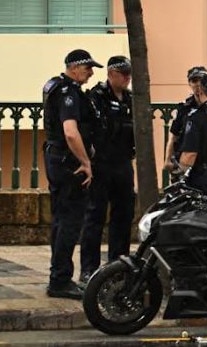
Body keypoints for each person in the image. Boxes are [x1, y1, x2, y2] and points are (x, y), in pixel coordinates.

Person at [42, 49, 102, 299]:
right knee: (69, 221)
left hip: (56, 158)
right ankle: (60, 280)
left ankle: (59, 275)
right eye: (87, 69)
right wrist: (85, 162)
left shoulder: (55, 86)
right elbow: (70, 131)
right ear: (75, 68)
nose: (90, 74)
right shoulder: (68, 93)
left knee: (60, 219)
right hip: (69, 164)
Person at [79, 56, 136, 285]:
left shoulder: (131, 99)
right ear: (111, 74)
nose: (127, 78)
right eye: (123, 74)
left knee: (124, 215)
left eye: (129, 74)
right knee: (95, 215)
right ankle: (89, 269)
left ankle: (117, 264)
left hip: (122, 162)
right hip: (101, 163)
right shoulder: (96, 97)